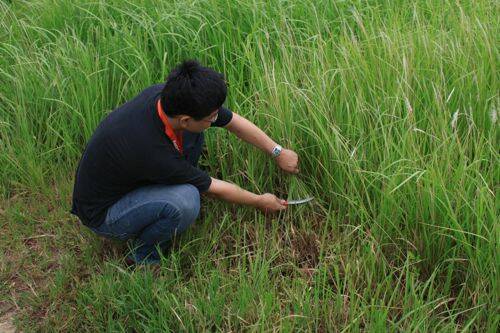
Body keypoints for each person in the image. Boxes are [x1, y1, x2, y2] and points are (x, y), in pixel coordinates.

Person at [70, 60, 299, 264]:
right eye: (211, 117)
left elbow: (233, 122)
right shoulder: (152, 151)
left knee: (196, 135)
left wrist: (277, 151)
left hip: (134, 177)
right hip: (105, 214)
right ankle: (144, 255)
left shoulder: (171, 99)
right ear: (186, 119)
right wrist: (260, 201)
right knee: (186, 200)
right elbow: (216, 189)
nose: (216, 119)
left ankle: (165, 195)